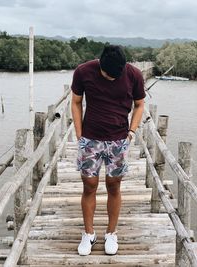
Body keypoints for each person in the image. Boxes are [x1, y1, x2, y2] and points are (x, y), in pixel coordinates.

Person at [71, 45, 145, 256]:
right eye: (107, 75)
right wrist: (79, 134)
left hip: (118, 140)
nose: (112, 78)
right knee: (89, 186)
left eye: (116, 75)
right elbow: (76, 102)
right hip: (90, 140)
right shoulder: (83, 71)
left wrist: (131, 132)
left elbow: (139, 104)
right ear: (99, 63)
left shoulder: (134, 74)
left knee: (114, 186)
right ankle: (89, 234)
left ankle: (111, 233)